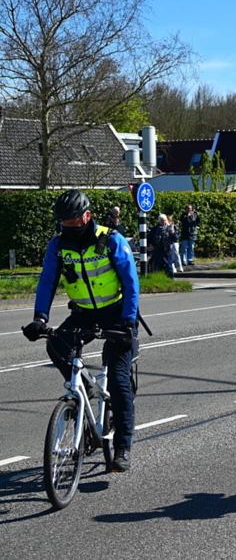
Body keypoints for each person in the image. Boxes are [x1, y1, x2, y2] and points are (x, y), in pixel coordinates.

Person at [23, 190, 140, 472]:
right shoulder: (57, 246)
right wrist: (40, 318)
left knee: (119, 381)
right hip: (84, 313)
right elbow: (48, 281)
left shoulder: (110, 239)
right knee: (56, 346)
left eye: (74, 221)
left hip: (117, 314)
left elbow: (131, 282)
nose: (69, 226)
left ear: (87, 216)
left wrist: (127, 322)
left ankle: (122, 446)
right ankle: (82, 388)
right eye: (64, 222)